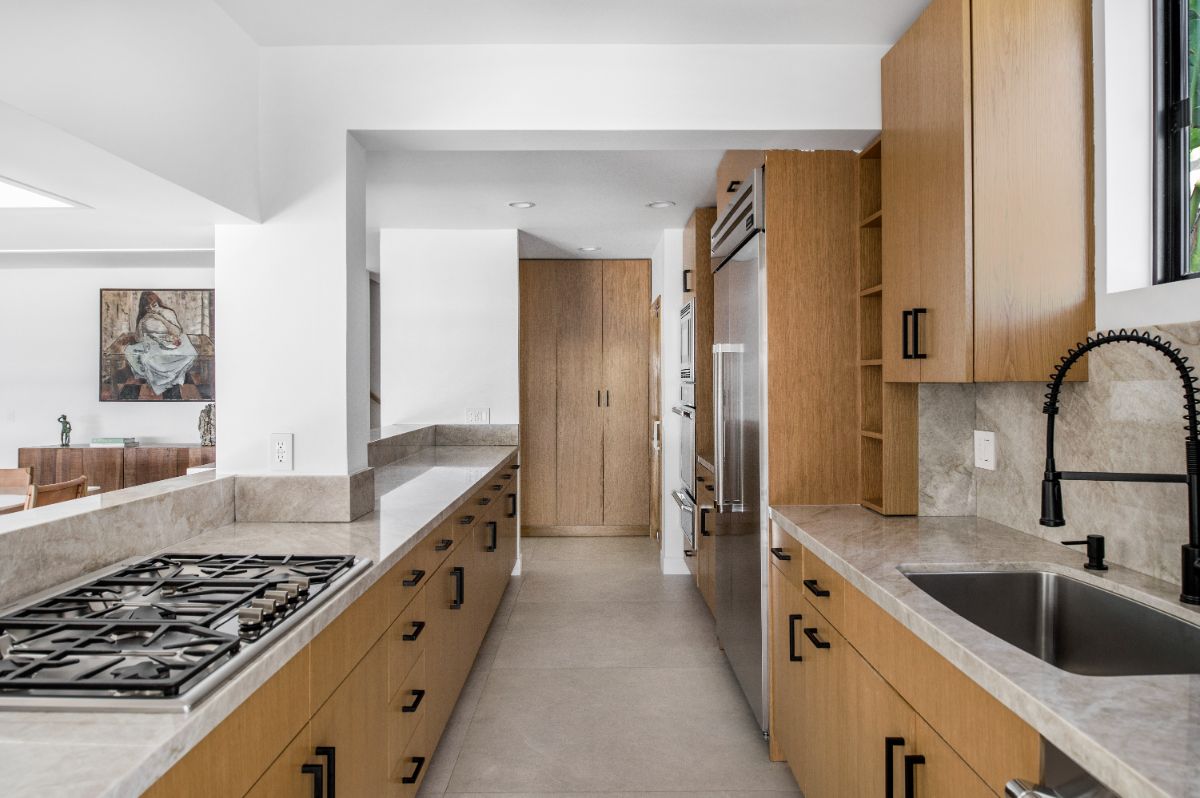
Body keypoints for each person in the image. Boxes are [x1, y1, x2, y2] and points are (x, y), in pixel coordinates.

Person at [123, 291, 196, 397]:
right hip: (155, 344)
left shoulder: (168, 313)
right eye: (148, 307)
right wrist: (142, 322)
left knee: (186, 354)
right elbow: (138, 339)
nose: (152, 309)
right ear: (144, 308)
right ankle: (157, 381)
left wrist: (160, 318)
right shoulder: (145, 318)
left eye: (154, 305)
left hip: (171, 342)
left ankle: (170, 379)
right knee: (138, 355)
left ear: (158, 302)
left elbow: (177, 332)